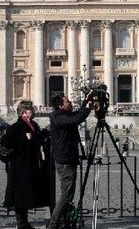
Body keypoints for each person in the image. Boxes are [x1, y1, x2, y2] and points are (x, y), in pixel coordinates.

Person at [0, 101, 53, 229]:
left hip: (31, 165)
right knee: (20, 195)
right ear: (24, 112)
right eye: (31, 109)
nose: (34, 111)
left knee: (26, 194)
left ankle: (24, 222)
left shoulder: (33, 124)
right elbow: (8, 141)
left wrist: (45, 132)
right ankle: (21, 223)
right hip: (20, 166)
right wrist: (24, 138)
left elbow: (37, 138)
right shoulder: (17, 126)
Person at [48, 92, 92, 229]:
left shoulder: (64, 115)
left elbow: (77, 115)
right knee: (67, 195)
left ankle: (63, 221)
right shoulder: (57, 117)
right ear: (60, 105)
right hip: (64, 159)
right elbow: (76, 120)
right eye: (67, 101)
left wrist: (87, 101)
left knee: (68, 193)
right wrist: (88, 108)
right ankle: (53, 224)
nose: (70, 103)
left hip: (69, 158)